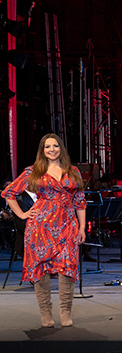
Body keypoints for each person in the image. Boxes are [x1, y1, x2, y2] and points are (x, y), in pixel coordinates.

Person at [2, 133, 86, 328]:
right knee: (41, 270)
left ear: (61, 148)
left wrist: (82, 227)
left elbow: (80, 201)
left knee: (68, 269)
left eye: (55, 146)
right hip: (40, 227)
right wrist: (22, 215)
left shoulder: (73, 171)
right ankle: (46, 313)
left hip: (67, 226)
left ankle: (65, 312)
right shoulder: (33, 171)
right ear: (42, 150)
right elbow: (9, 193)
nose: (52, 150)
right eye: (47, 146)